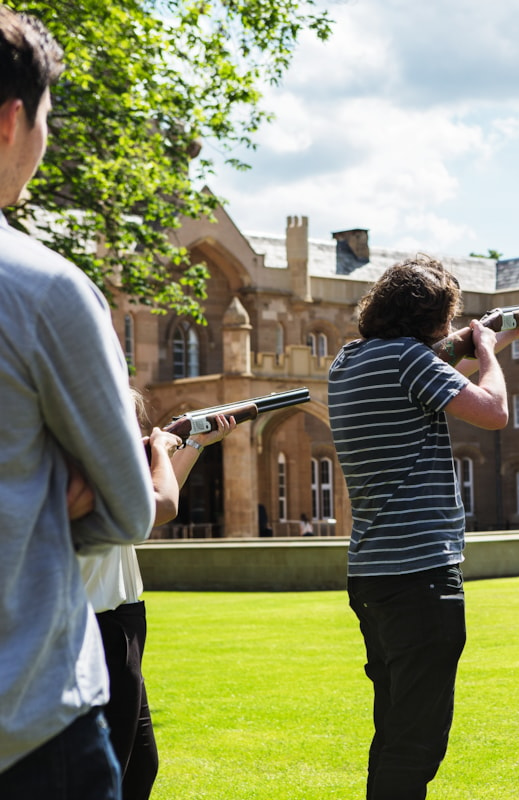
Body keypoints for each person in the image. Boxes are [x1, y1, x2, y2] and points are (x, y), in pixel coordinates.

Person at [0, 7, 156, 799]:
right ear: (9, 121)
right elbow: (130, 509)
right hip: (28, 724)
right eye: (47, 120)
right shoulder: (43, 288)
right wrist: (44, 506)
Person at [328, 254, 519, 800]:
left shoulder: (349, 361)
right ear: (428, 318)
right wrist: (491, 350)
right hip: (421, 575)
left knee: (395, 728)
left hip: (372, 575)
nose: (449, 330)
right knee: (419, 740)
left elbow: (438, 373)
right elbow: (493, 411)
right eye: (446, 319)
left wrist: (495, 338)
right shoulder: (409, 359)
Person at [76, 396, 234, 800]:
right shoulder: (89, 468)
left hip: (121, 622)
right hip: (102, 628)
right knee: (112, 771)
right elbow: (159, 506)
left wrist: (195, 444)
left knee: (141, 766)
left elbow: (148, 513)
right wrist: (162, 449)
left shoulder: (100, 468)